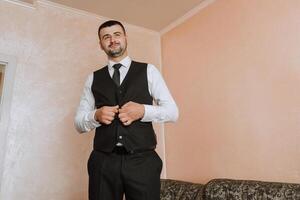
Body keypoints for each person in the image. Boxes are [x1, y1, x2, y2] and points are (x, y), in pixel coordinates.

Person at [74, 20, 178, 200]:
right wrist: (96, 115)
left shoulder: (149, 71)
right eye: (106, 37)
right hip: (103, 162)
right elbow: (79, 122)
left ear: (125, 38)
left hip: (142, 161)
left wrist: (143, 111)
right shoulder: (93, 78)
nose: (112, 40)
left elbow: (173, 112)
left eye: (117, 34)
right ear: (101, 44)